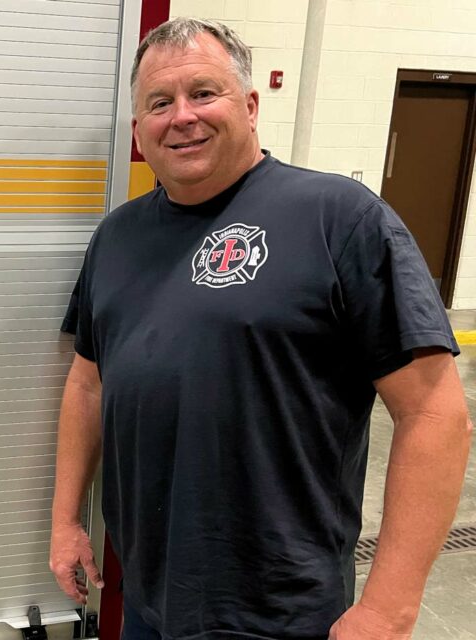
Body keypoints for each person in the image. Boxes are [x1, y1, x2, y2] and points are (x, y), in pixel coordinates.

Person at [49, 17, 472, 640]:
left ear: (249, 106)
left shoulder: (340, 220)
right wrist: (66, 522)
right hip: (148, 597)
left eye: (204, 92)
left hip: (281, 612)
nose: (182, 116)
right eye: (159, 103)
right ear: (138, 131)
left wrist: (389, 608)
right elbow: (89, 382)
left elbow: (436, 413)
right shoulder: (117, 236)